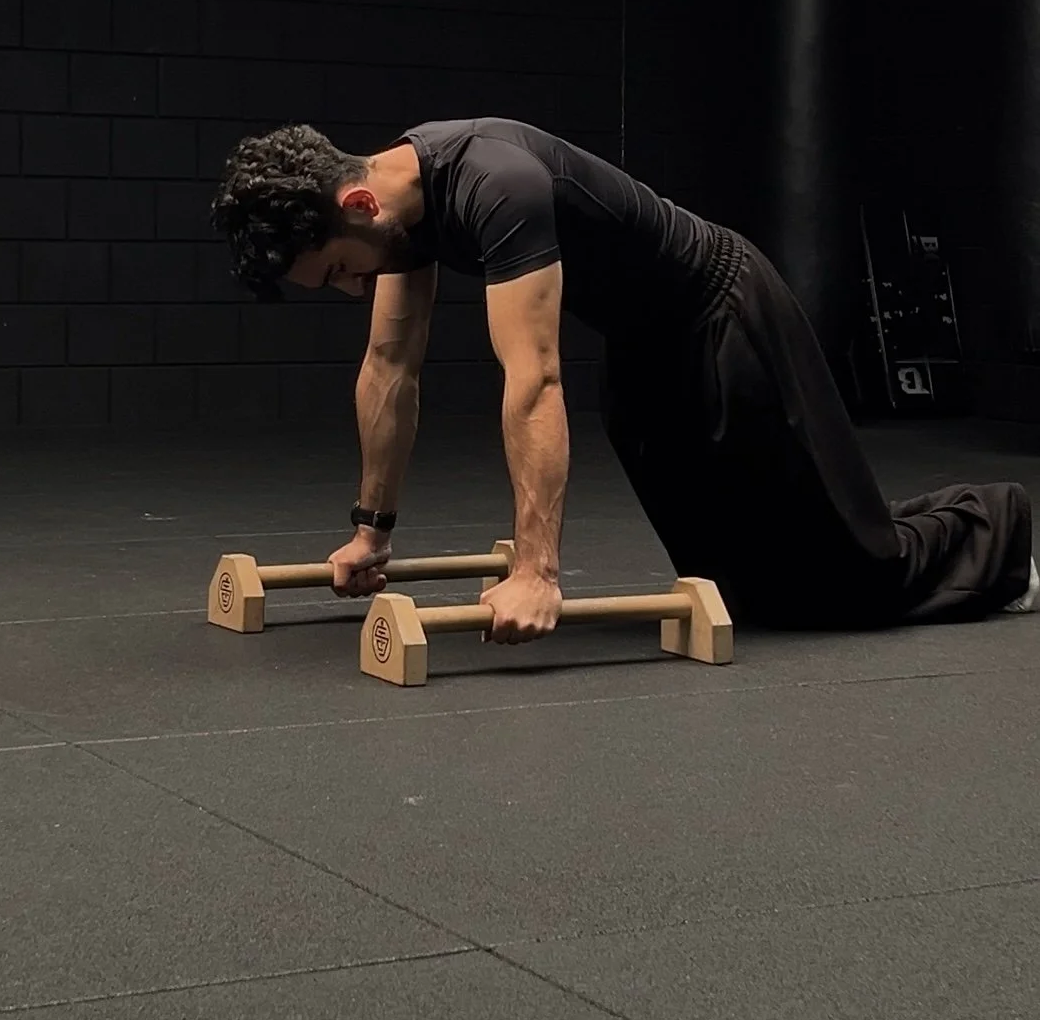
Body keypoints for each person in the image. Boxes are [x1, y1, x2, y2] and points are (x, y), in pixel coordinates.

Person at [211, 118, 1037, 643]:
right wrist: (372, 531)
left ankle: (1001, 530)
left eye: (338, 270)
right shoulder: (398, 213)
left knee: (856, 578)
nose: (352, 288)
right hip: (645, 354)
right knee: (746, 590)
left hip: (724, 317)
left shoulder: (495, 182)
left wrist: (537, 570)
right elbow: (390, 367)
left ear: (358, 203)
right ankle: (854, 516)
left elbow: (534, 379)